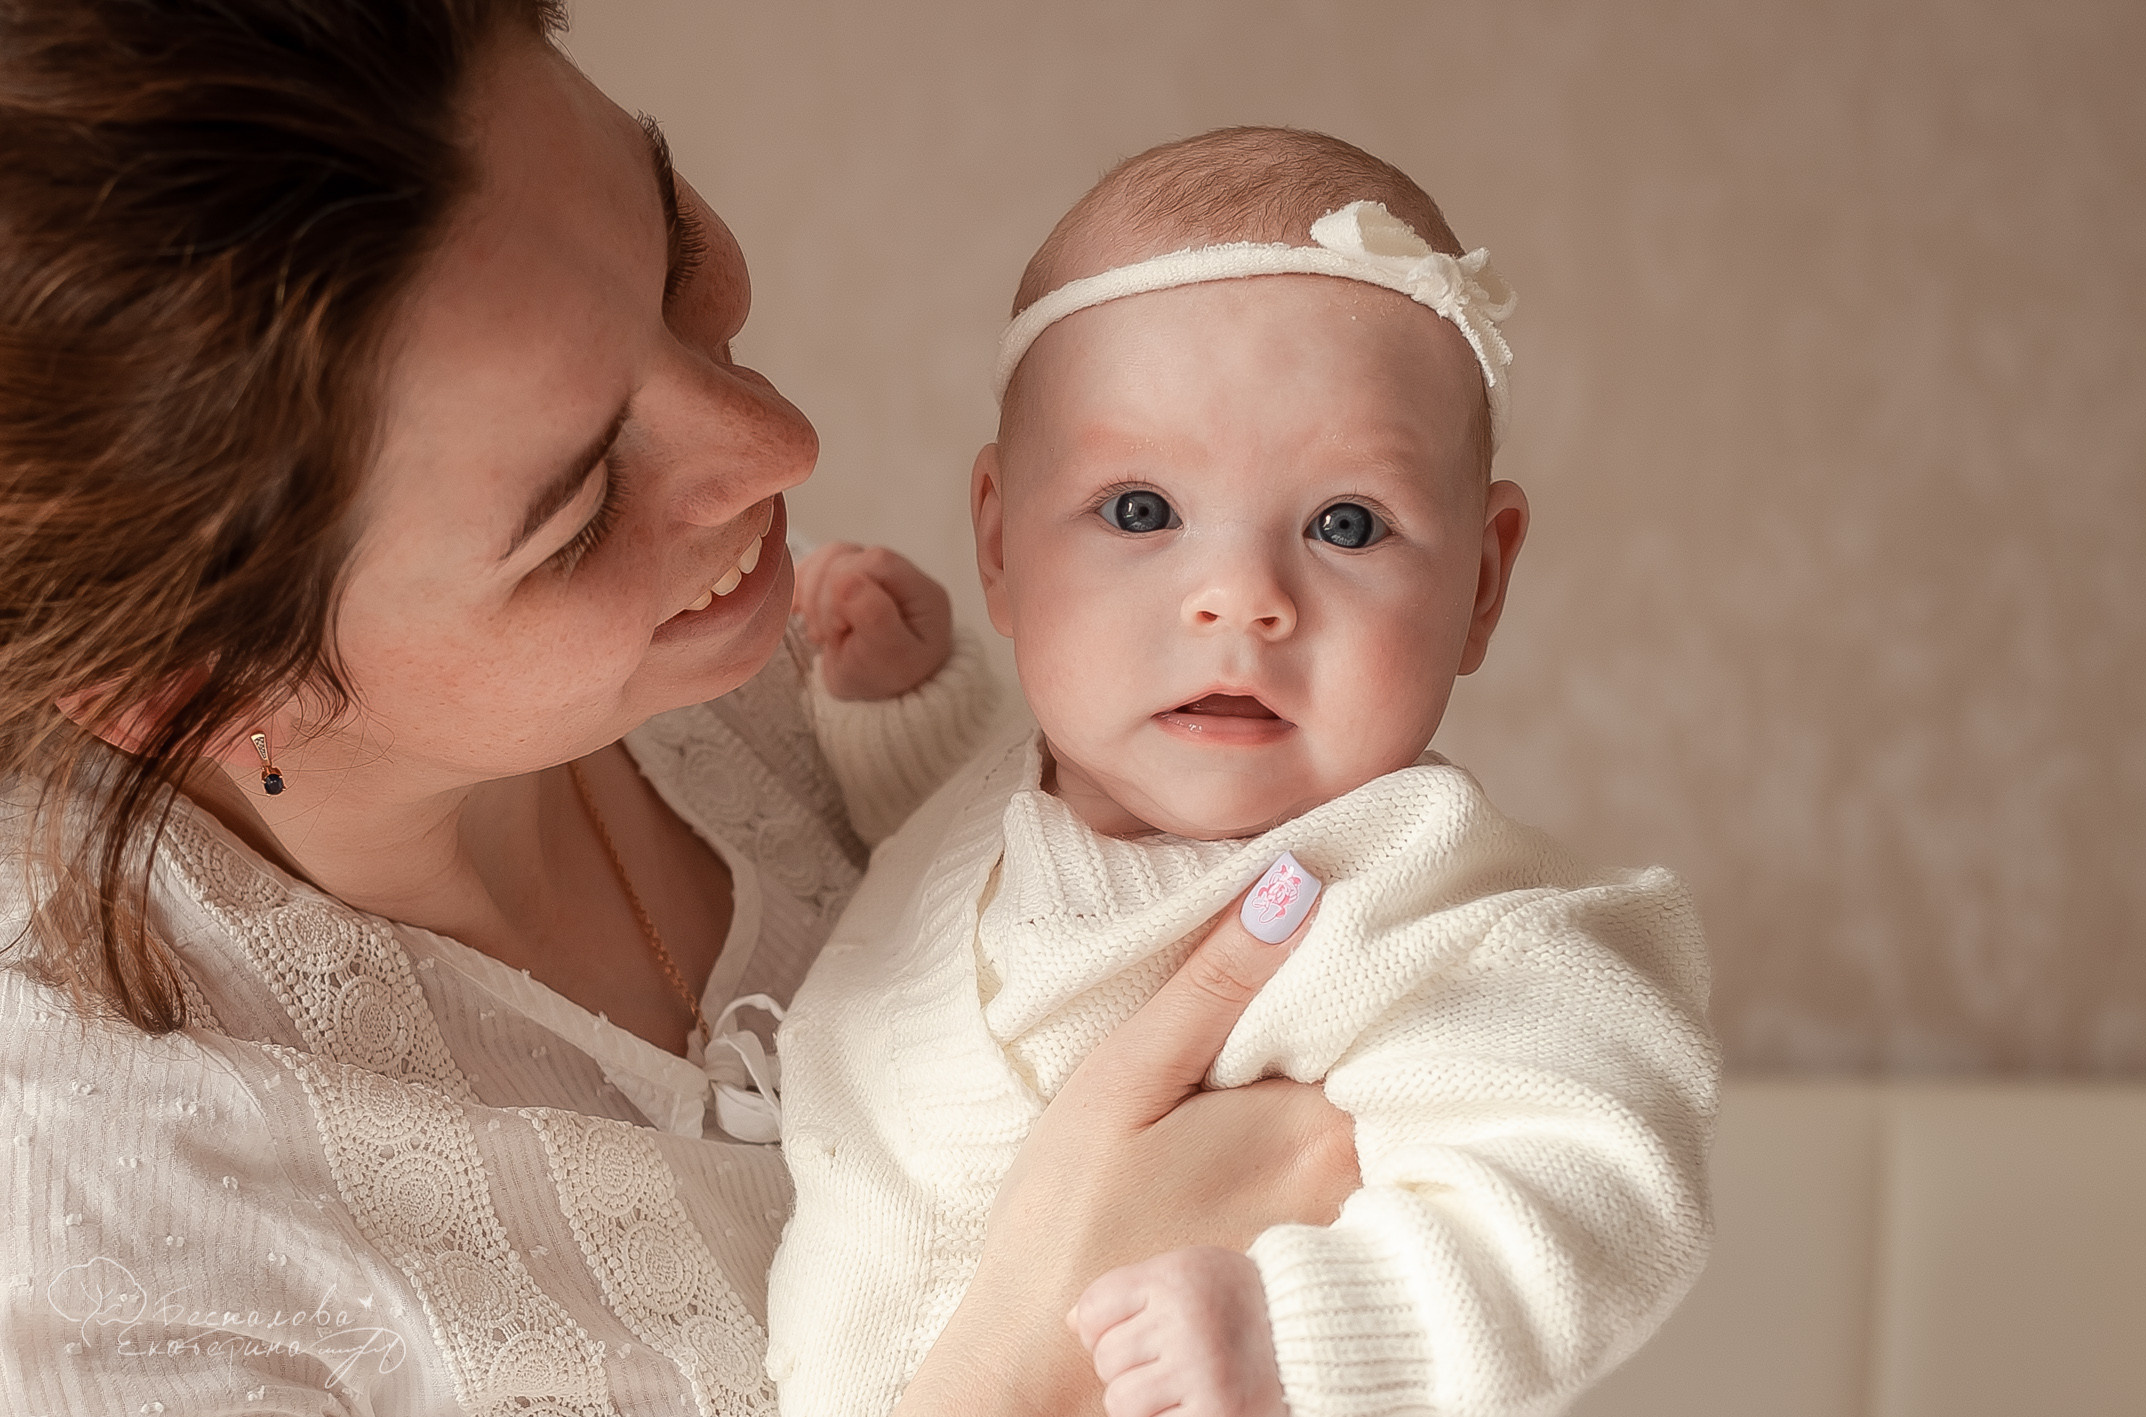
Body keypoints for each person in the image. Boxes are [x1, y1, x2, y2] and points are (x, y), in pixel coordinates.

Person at [0, 6, 1358, 1414]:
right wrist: (1026, 1369)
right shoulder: (90, 1241)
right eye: (582, 510)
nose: (781, 446)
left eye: (674, 256)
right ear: (192, 690)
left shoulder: (799, 679)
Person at [769, 129, 1719, 1417]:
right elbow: (972, 885)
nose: (1241, 601)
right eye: (1143, 511)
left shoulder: (1434, 914)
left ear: (1483, 581)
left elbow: (1588, 1188)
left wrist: (1299, 1330)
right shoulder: (1027, 785)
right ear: (999, 542)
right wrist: (906, 707)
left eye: (1346, 524)